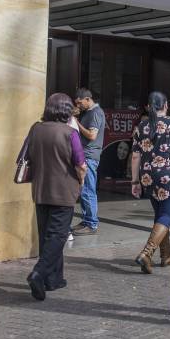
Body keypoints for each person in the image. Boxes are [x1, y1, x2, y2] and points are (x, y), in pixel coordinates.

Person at [25, 93, 87, 300]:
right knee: (58, 237)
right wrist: (82, 182)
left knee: (46, 235)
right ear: (67, 111)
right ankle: (39, 273)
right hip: (63, 191)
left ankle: (54, 279)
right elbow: (80, 164)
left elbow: (27, 156)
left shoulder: (36, 129)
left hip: (41, 189)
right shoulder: (70, 133)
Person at [130, 92, 170, 273]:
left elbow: (135, 156)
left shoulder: (140, 126)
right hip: (169, 175)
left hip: (147, 177)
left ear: (149, 106)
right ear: (166, 105)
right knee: (168, 215)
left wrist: (135, 181)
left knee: (160, 214)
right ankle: (147, 252)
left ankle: (166, 256)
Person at [72, 88, 105, 236]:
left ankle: (91, 223)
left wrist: (77, 123)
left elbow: (92, 135)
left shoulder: (96, 113)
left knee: (88, 189)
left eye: (80, 103)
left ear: (87, 99)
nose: (79, 106)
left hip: (90, 155)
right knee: (84, 188)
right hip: (85, 155)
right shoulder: (88, 113)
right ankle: (86, 220)